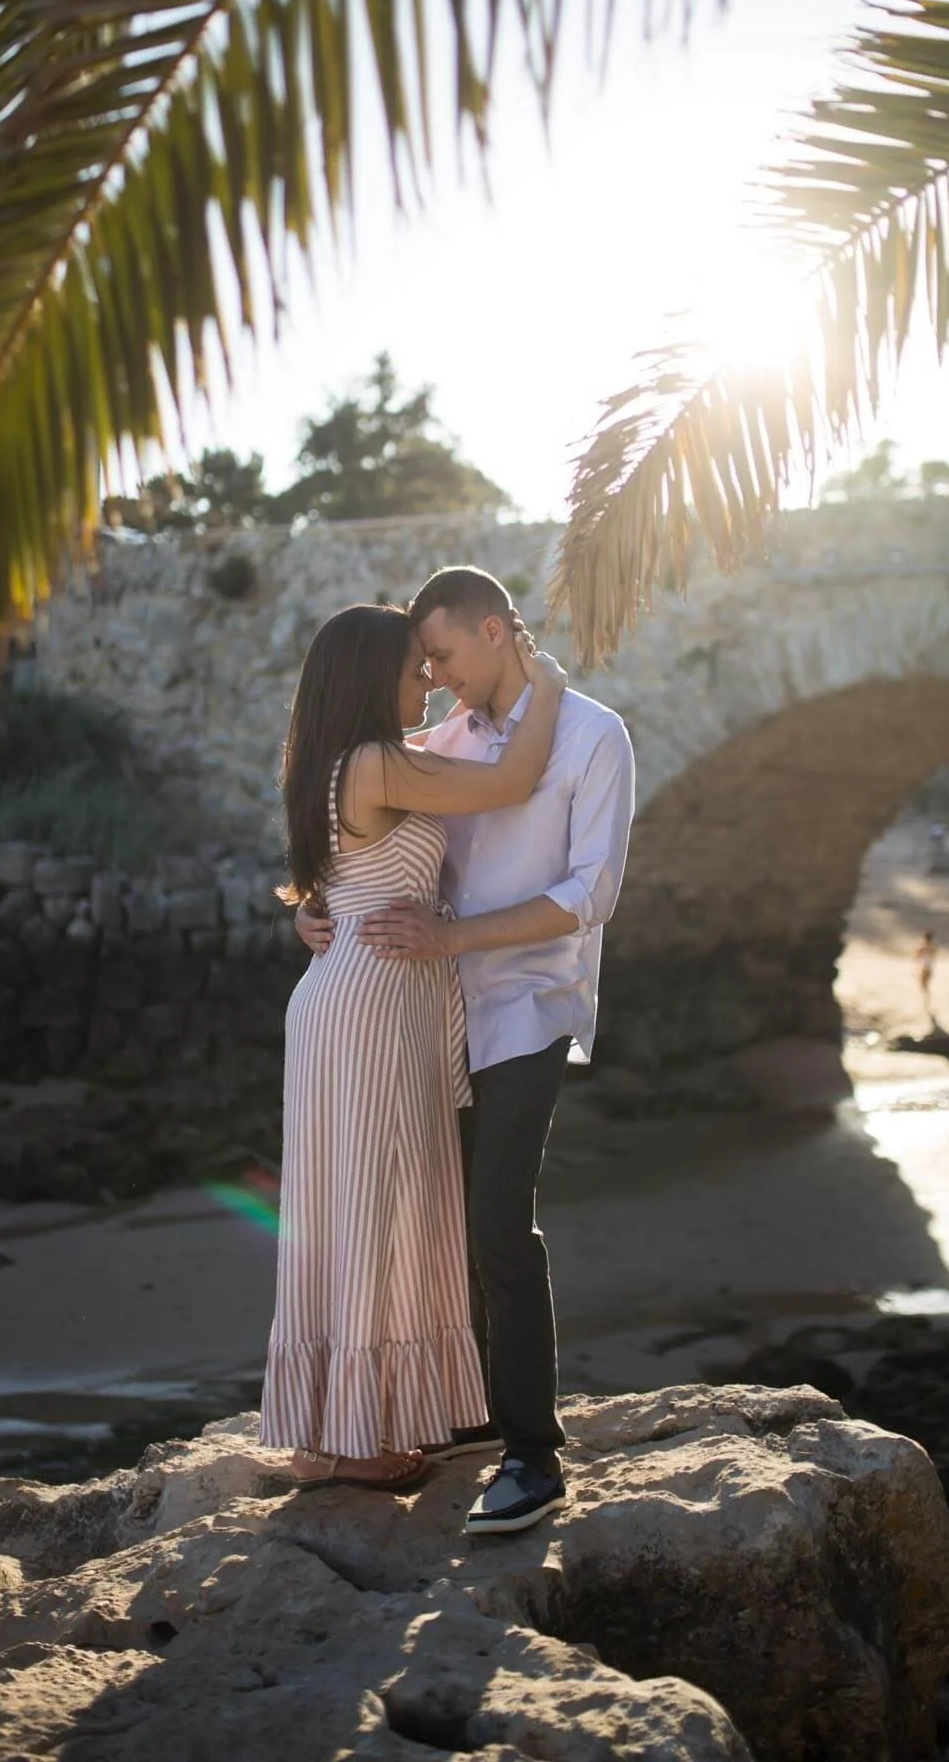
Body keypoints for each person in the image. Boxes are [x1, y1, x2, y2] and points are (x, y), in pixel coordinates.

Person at [297, 565, 636, 1535]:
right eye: (421, 663)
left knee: (495, 1220)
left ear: (495, 631)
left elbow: (589, 893)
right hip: (428, 1011)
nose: (433, 676)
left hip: (528, 1002)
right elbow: (362, 844)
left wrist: (453, 938)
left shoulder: (592, 734)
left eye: (440, 654)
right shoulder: (436, 743)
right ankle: (472, 1414)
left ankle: (532, 1452)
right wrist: (318, 911)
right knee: (439, 1218)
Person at [260, 603, 566, 1490]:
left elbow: (336, 883)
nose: (426, 680)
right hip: (374, 1003)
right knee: (371, 1208)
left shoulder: (343, 761)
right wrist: (543, 683)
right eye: (410, 669)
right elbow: (509, 781)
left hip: (356, 993)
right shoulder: (373, 763)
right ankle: (353, 1445)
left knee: (352, 1205)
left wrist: (318, 918)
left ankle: (344, 1425)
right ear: (367, 681)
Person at [914, 930, 937, 1018]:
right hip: (929, 968)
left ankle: (925, 1002)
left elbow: (916, 955)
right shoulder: (933, 947)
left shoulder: (923, 947)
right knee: (926, 986)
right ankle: (926, 1002)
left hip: (924, 968)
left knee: (923, 986)